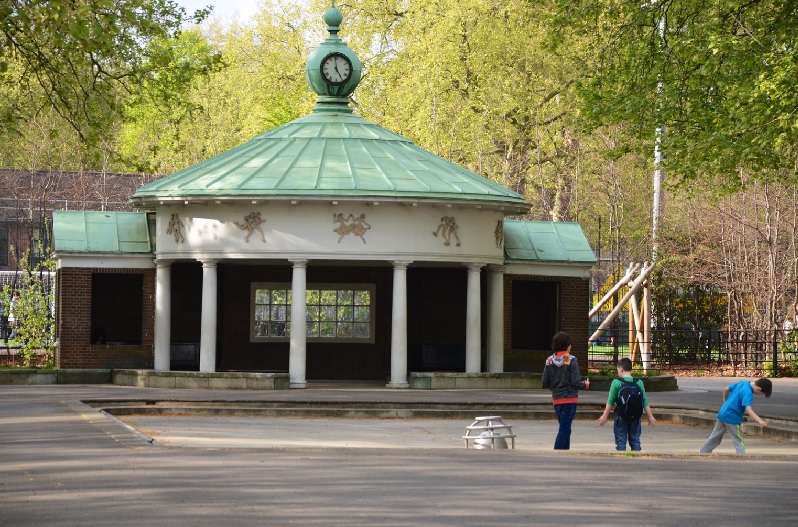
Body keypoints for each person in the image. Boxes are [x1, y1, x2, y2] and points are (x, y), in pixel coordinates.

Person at [541, 332, 589, 450]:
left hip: (557, 399)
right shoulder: (571, 359)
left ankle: (565, 451)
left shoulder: (549, 360)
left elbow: (544, 381)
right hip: (569, 398)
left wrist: (554, 387)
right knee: (564, 429)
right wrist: (586, 385)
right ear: (567, 345)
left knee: (566, 428)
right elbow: (575, 381)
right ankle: (557, 452)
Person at [699, 378, 772, 455]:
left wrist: (725, 402)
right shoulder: (748, 393)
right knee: (739, 441)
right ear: (759, 389)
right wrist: (760, 421)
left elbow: (725, 389)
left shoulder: (743, 383)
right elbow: (748, 409)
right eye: (761, 394)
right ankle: (741, 457)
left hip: (723, 413)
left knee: (715, 436)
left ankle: (704, 452)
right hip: (733, 418)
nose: (759, 395)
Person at [598, 357, 657, 451]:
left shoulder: (616, 382)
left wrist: (605, 415)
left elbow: (610, 401)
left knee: (621, 441)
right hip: (636, 417)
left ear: (621, 369)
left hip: (621, 416)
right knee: (635, 440)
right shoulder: (639, 382)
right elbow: (644, 401)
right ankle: (636, 461)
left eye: (617, 370)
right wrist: (650, 416)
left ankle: (622, 462)